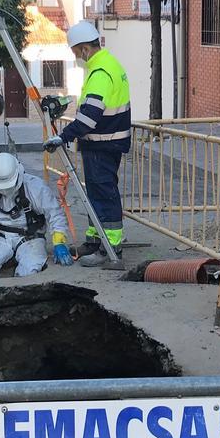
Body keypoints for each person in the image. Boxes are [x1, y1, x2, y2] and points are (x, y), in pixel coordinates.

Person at [44, 21, 131, 266]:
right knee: (95, 194)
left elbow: (90, 115)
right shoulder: (106, 65)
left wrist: (64, 136)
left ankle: (111, 248)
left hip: (103, 143)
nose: (76, 57)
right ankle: (95, 240)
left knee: (103, 194)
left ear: (83, 48)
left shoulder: (101, 72)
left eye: (75, 52)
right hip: (106, 142)